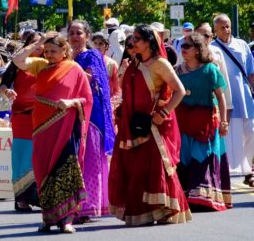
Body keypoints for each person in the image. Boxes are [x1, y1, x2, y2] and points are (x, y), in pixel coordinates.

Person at [109, 24, 191, 226]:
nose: (133, 42)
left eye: (137, 39)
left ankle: (162, 210)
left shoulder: (161, 64)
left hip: (153, 125)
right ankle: (143, 212)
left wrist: (163, 113)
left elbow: (179, 91)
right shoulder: (134, 63)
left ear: (149, 42)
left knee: (154, 168)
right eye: (132, 39)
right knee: (135, 167)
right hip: (132, 123)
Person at [12, 34, 93, 233]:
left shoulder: (74, 69)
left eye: (53, 51)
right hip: (40, 126)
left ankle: (66, 219)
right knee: (42, 169)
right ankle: (48, 217)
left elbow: (86, 98)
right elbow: (17, 60)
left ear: (64, 51)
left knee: (63, 169)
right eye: (46, 51)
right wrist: (37, 45)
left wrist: (71, 102)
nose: (49, 55)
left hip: (64, 124)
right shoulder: (40, 65)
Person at [175, 32, 231, 211]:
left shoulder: (210, 70)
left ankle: (203, 200)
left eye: (187, 46)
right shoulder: (177, 71)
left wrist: (224, 122)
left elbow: (220, 97)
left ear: (198, 49)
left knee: (201, 157)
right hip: (183, 122)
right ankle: (187, 199)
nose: (183, 49)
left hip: (204, 123)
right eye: (182, 46)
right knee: (184, 160)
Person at [66, 20, 114, 221]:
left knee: (90, 160)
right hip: (69, 112)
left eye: (79, 33)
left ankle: (89, 205)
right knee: (74, 161)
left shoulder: (92, 55)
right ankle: (72, 204)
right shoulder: (65, 56)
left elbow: (92, 78)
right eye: (72, 33)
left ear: (87, 35)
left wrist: (70, 69)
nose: (75, 36)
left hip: (90, 114)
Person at [207, 13, 254, 186]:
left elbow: (250, 72)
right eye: (222, 27)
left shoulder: (242, 45)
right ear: (215, 30)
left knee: (251, 133)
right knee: (231, 138)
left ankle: (249, 168)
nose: (226, 29)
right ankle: (233, 171)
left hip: (245, 98)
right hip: (226, 99)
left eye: (228, 26)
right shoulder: (212, 48)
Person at [0, 30, 40, 212]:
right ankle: (21, 197)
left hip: (45, 116)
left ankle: (39, 196)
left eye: (42, 45)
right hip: (22, 115)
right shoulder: (18, 63)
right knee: (22, 157)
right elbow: (3, 83)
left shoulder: (50, 62)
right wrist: (7, 91)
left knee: (40, 157)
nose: (39, 48)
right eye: (35, 44)